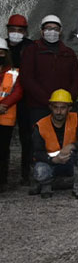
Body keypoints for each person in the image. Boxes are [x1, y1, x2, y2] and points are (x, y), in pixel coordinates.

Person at [31, 89, 78, 199]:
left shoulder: (76, 119)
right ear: (51, 107)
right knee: (40, 171)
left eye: (63, 108)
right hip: (50, 163)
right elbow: (36, 153)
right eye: (56, 107)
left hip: (70, 160)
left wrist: (72, 146)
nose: (59, 112)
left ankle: (77, 187)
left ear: (69, 108)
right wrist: (53, 160)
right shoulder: (41, 125)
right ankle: (46, 185)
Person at [20, 14, 78, 123]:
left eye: (55, 29)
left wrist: (66, 101)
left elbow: (76, 79)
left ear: (60, 32)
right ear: (42, 31)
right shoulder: (32, 50)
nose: (52, 31)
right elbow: (27, 79)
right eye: (48, 28)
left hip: (63, 107)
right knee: (40, 137)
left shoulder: (68, 53)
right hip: (38, 107)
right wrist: (48, 100)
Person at [6, 14, 34, 186]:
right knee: (4, 138)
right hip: (5, 99)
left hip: (25, 100)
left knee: (27, 137)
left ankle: (26, 172)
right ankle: (4, 173)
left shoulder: (30, 48)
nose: (16, 33)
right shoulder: (2, 47)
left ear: (25, 32)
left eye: (20, 30)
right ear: (7, 30)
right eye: (13, 30)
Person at [0, 38, 22, 192]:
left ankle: (1, 182)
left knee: (2, 151)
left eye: (1, 53)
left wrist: (5, 104)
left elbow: (18, 91)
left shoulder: (14, 72)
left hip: (5, 117)